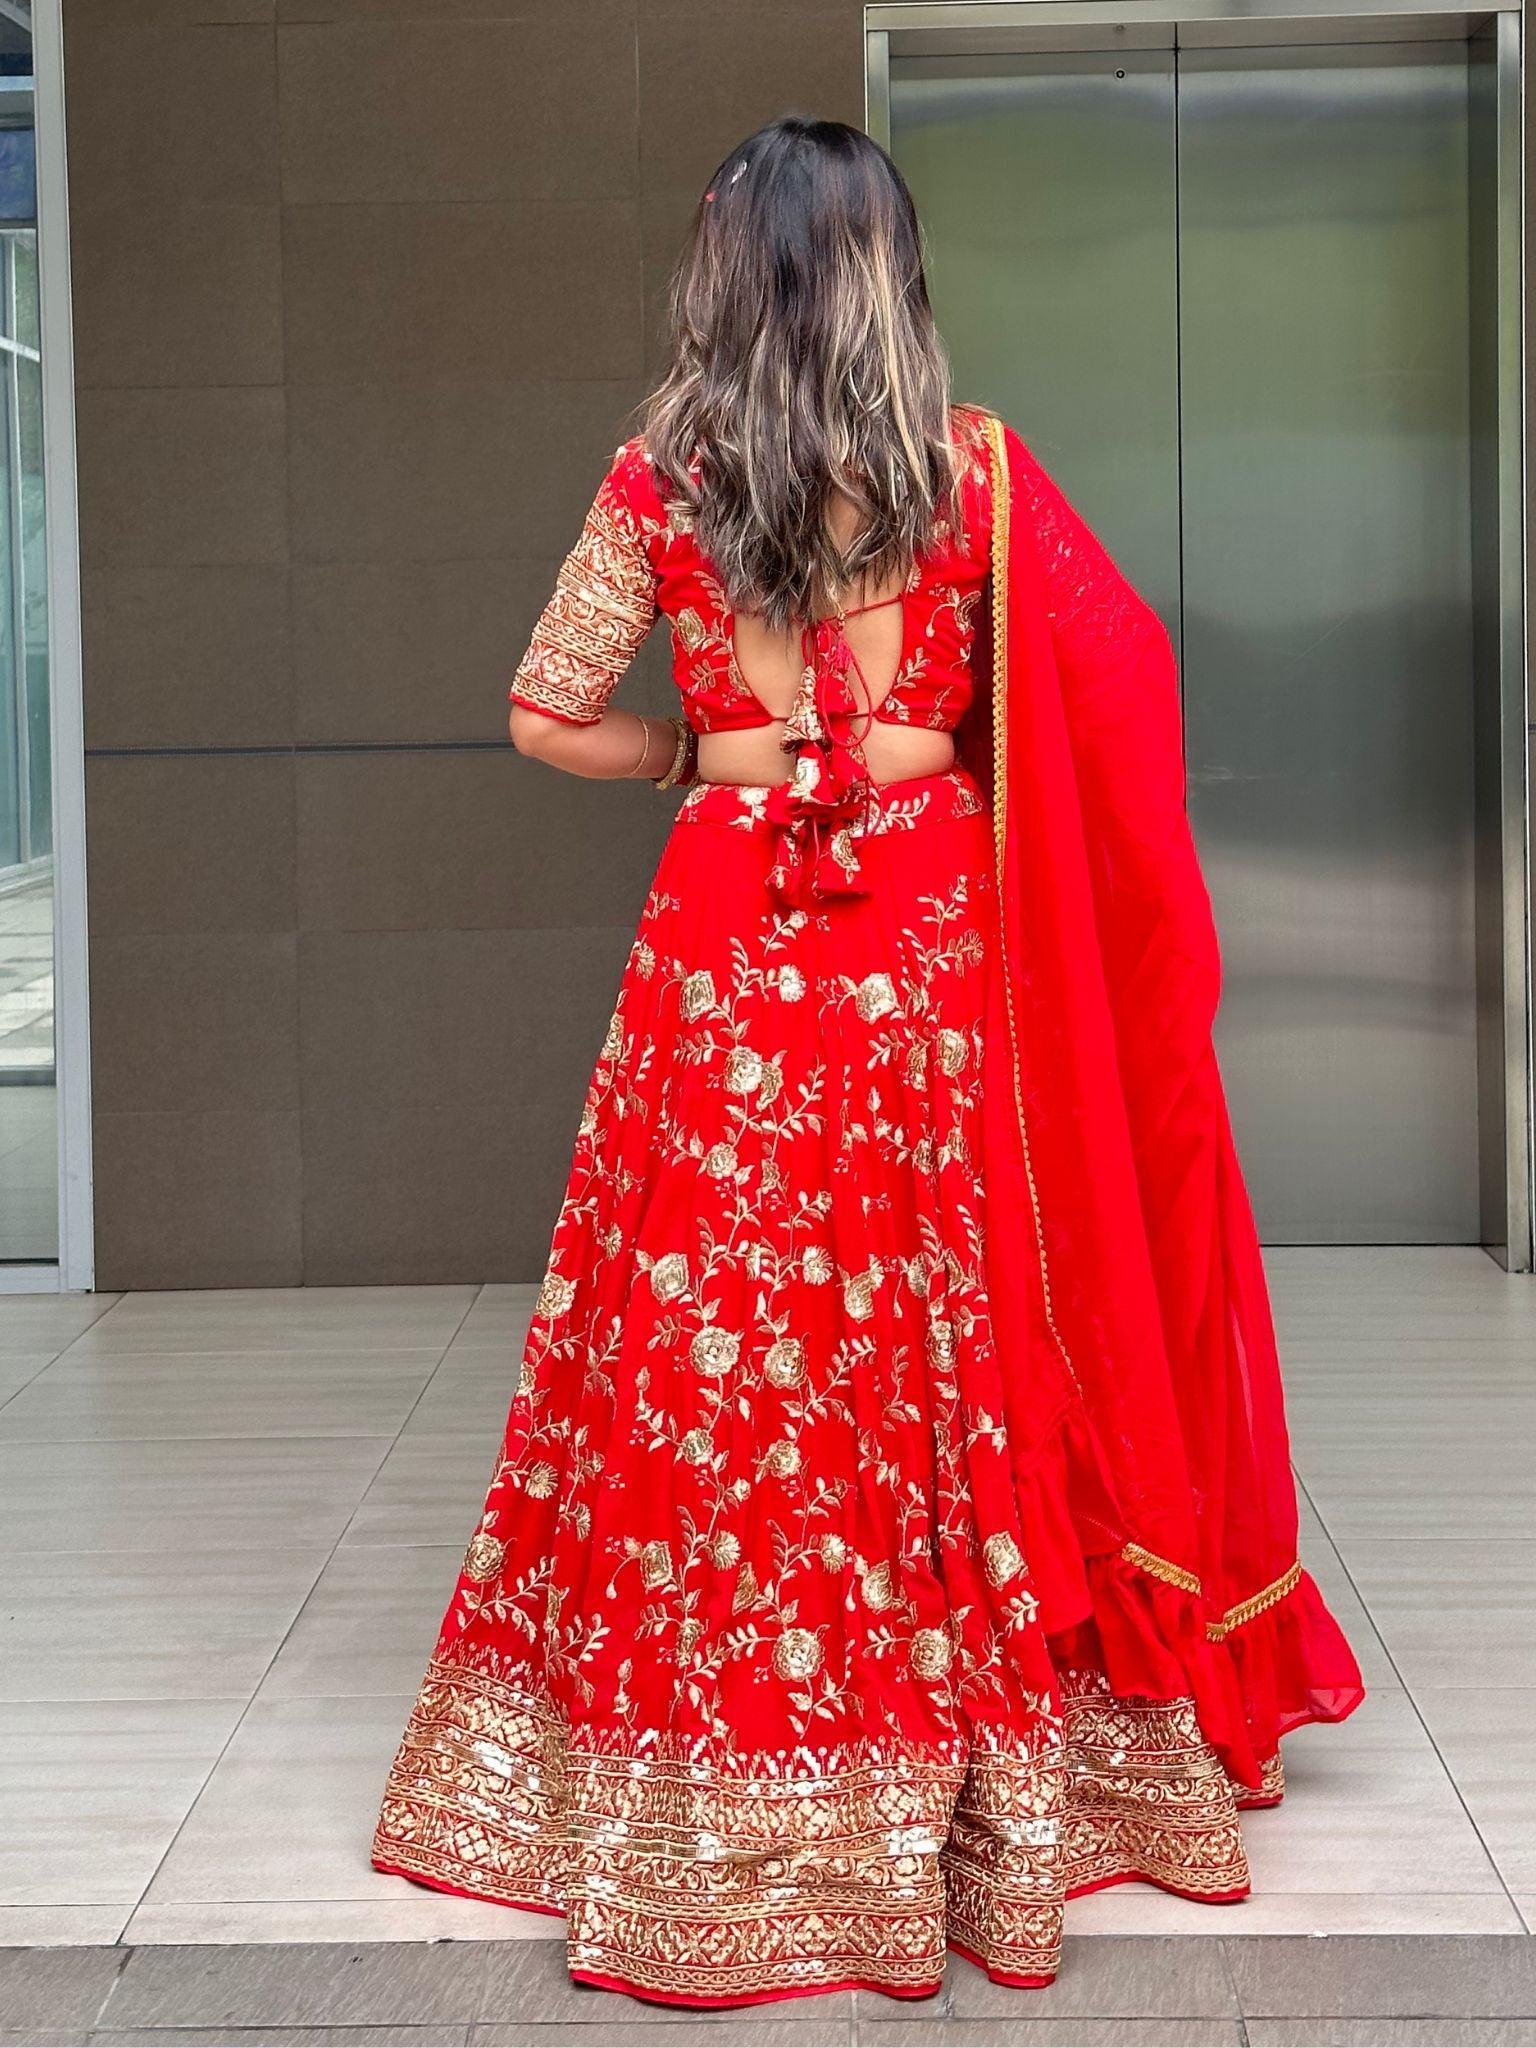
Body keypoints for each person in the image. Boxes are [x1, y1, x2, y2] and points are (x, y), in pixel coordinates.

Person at [372, 115, 1364, 2009]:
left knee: (713, 1340)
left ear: (723, 273)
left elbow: (541, 715)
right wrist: (978, 763)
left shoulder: (663, 474)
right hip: (924, 946)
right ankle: (963, 1788)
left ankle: (695, 1771)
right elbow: (1114, 676)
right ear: (890, 275)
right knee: (936, 1336)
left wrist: (698, 754)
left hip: (726, 960)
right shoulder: (965, 470)